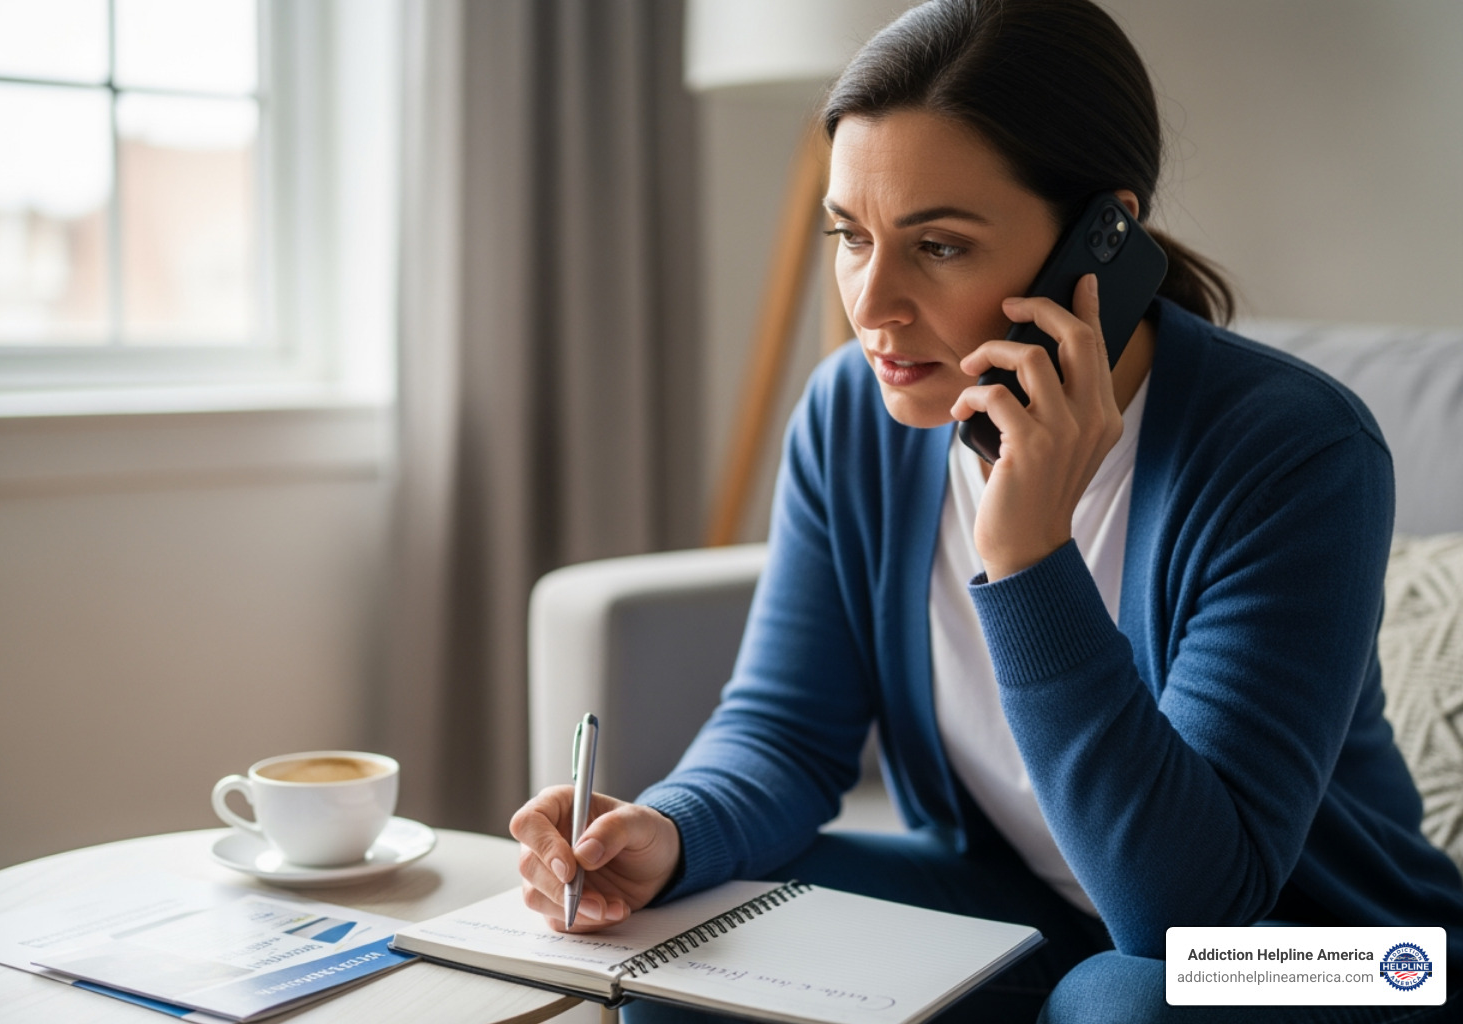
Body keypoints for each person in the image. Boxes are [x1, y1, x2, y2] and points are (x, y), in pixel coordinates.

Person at [510, 1, 1463, 1020]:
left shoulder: (1293, 450)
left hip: (1345, 955)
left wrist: (1027, 557)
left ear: (1102, 239)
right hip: (1036, 914)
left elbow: (1191, 914)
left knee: (1123, 1002)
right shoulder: (854, 416)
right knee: (693, 960)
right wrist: (673, 833)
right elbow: (787, 729)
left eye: (940, 247)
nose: (870, 304)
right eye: (851, 235)